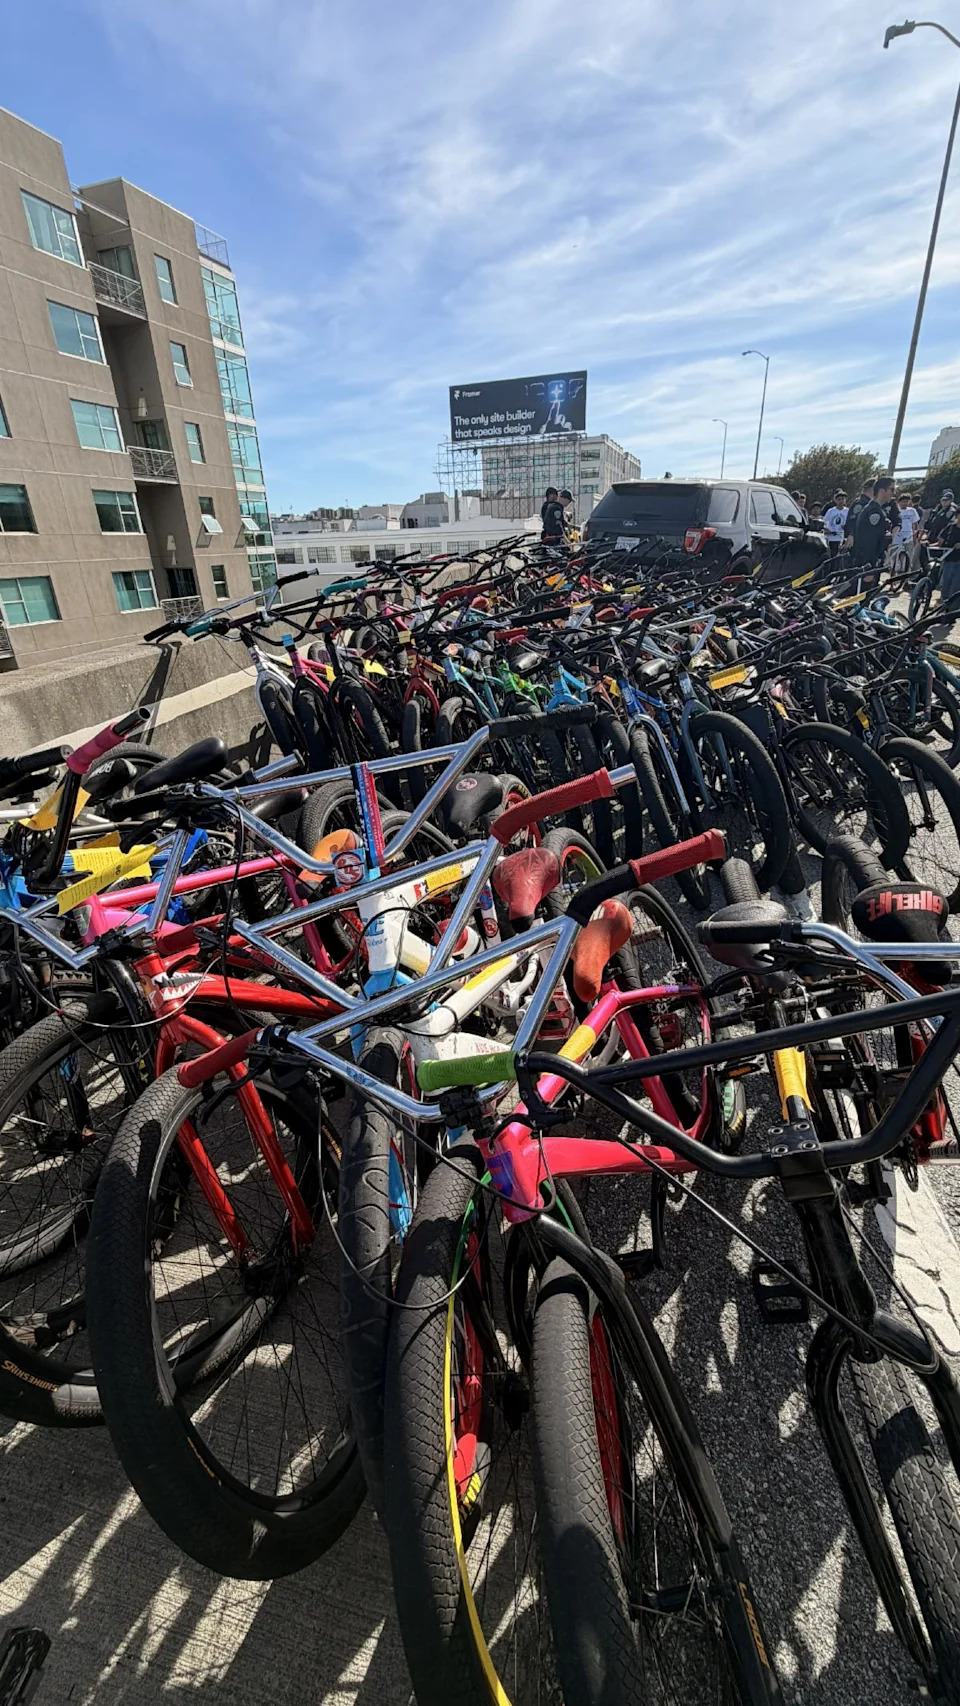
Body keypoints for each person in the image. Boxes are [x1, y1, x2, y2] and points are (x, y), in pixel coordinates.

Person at [851, 475, 895, 572]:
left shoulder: (876, 509)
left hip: (871, 562)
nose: (893, 493)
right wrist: (870, 566)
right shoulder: (874, 511)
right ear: (882, 490)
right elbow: (869, 541)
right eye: (892, 490)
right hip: (868, 564)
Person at [843, 479, 876, 549]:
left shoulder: (872, 503)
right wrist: (851, 534)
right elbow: (853, 520)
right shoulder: (860, 503)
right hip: (859, 541)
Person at [823, 491, 848, 558]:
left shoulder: (848, 511)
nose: (841, 501)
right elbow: (824, 522)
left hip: (842, 539)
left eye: (843, 499)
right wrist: (827, 530)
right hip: (832, 538)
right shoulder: (831, 511)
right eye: (839, 499)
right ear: (836, 500)